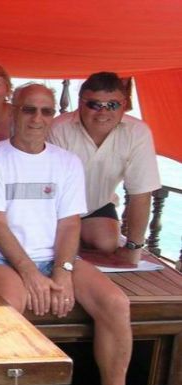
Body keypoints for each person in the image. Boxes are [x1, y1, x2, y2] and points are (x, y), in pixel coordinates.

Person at [0, 83, 143, 385]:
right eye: (28, 109)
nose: (37, 118)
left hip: (54, 256)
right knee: (10, 305)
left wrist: (61, 272)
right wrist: (31, 273)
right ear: (13, 112)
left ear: (53, 117)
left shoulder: (66, 162)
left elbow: (69, 224)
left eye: (46, 111)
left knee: (117, 304)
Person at [49, 72, 161, 265]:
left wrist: (133, 248)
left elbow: (141, 193)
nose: (103, 112)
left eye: (112, 105)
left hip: (96, 205)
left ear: (123, 105)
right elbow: (50, 188)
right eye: (94, 104)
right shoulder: (58, 129)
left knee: (106, 244)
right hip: (56, 207)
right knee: (57, 249)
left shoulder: (138, 133)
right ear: (80, 103)